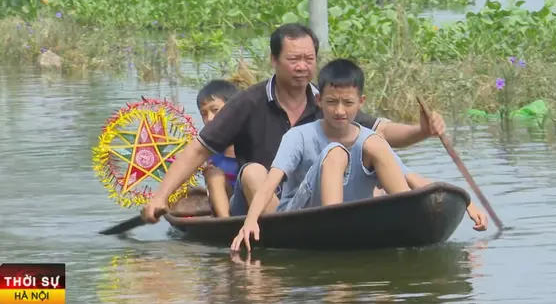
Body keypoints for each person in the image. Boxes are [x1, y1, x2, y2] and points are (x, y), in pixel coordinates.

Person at [142, 23, 448, 223]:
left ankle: (385, 219)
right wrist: (160, 196)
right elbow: (199, 150)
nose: (303, 67)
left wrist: (422, 130)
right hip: (255, 206)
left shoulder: (327, 101)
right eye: (293, 59)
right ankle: (290, 229)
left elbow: (380, 131)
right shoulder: (248, 102)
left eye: (309, 59)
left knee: (371, 178)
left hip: (309, 203)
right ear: (274, 60)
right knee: (254, 172)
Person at [230, 59, 488, 251]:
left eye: (348, 103)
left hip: (353, 212)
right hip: (304, 214)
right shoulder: (299, 136)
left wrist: (467, 203)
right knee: (335, 152)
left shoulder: (368, 138)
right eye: (331, 102)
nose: (339, 111)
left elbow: (410, 178)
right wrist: (250, 221)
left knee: (376, 143)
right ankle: (334, 226)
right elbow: (271, 183)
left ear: (361, 102)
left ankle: (406, 219)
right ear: (319, 100)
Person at [197, 80, 241, 218]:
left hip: (250, 201)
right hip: (226, 207)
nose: (209, 118)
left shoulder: (253, 140)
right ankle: (226, 224)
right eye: (204, 114)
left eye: (215, 110)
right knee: (213, 175)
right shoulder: (207, 150)